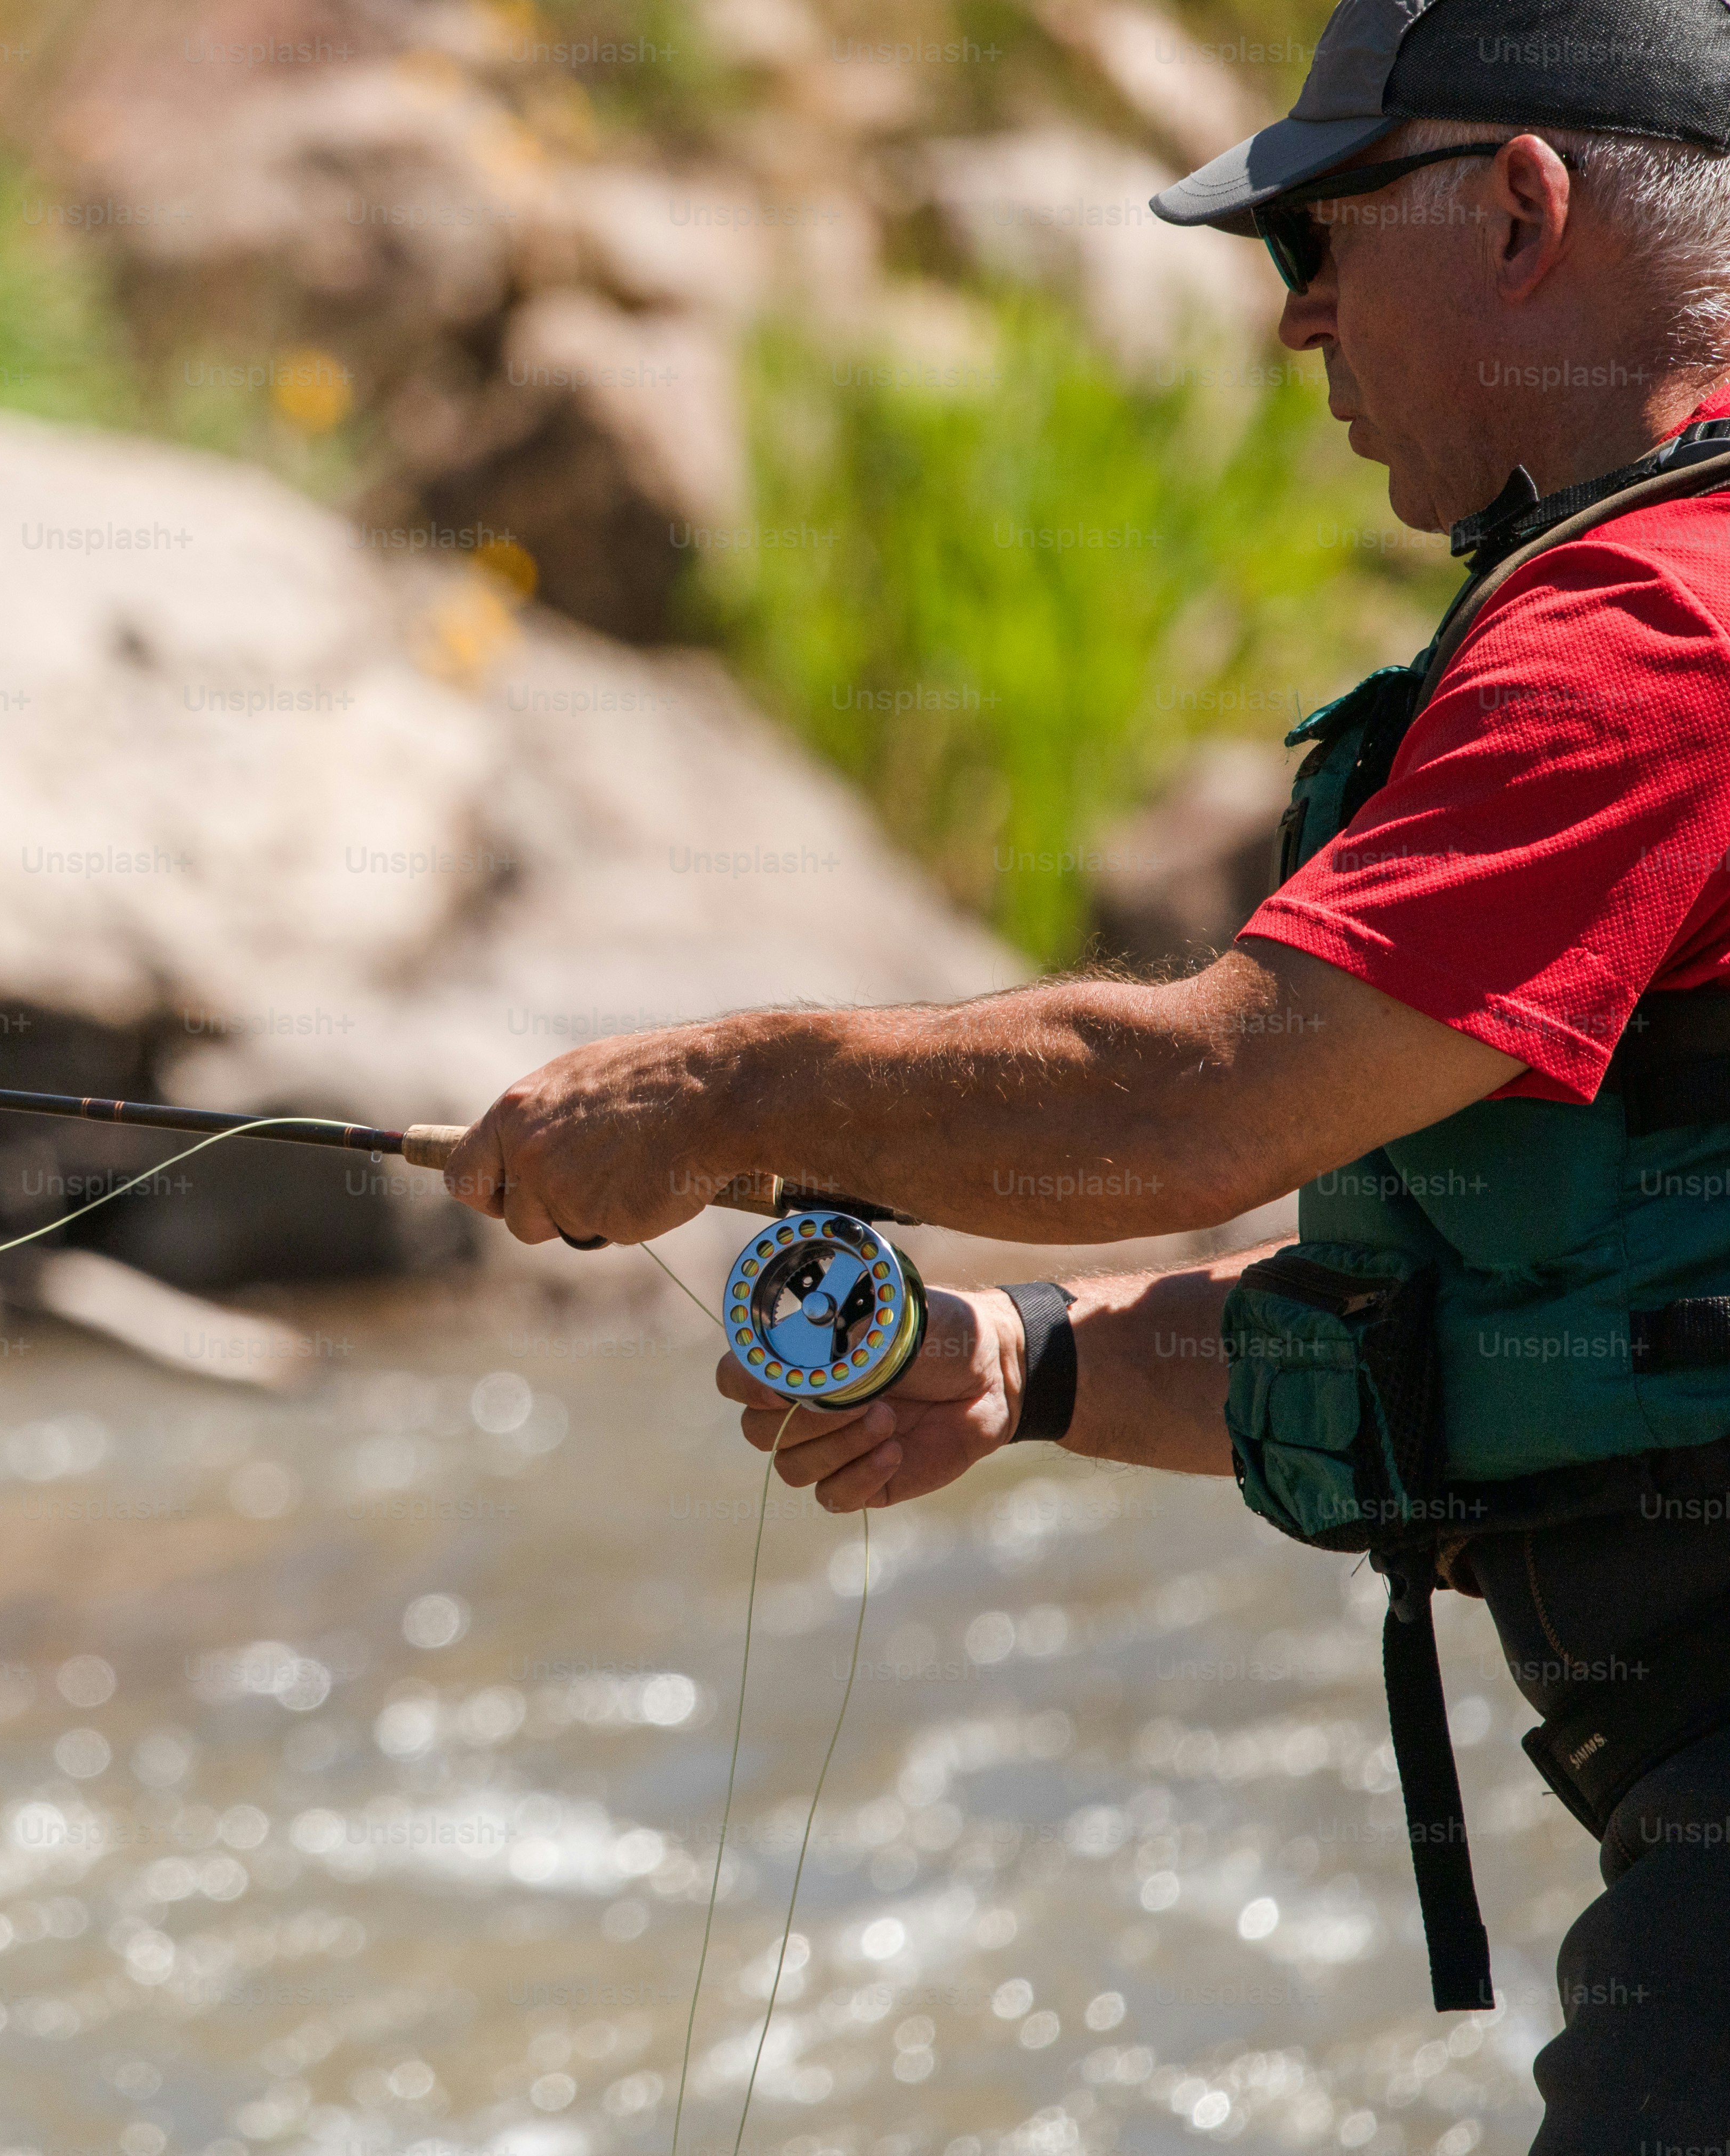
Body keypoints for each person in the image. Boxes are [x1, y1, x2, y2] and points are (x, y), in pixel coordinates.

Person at [440, 0, 1730, 2139]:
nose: (1297, 325)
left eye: (1316, 239)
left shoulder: (1663, 630)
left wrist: (729, 1095)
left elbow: (1196, 1103)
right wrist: (1020, 1365)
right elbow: (1525, 1337)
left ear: (1524, 205)